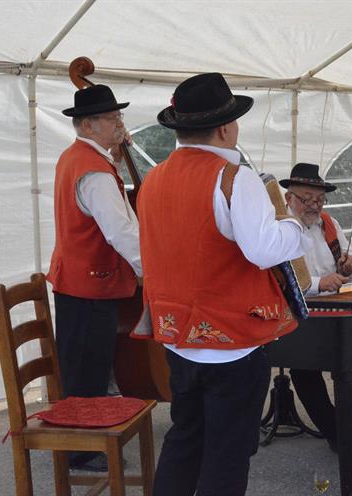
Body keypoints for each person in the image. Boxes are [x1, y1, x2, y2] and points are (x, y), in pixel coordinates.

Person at [136, 73, 304, 496]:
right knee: (227, 451)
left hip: (177, 336)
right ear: (226, 127)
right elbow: (265, 251)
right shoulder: (235, 178)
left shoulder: (152, 178)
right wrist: (291, 222)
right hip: (232, 341)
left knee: (185, 438)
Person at [46, 84, 142, 471]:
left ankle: (84, 442)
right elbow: (121, 231)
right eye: (113, 118)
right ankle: (80, 450)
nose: (120, 124)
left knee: (86, 366)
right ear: (89, 124)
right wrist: (150, 269)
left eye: (119, 116)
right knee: (87, 369)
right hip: (90, 284)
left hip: (78, 279)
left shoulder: (77, 157)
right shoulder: (95, 172)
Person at [280, 163, 352, 452]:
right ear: (288, 199)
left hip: (334, 309)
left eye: (319, 199)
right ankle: (336, 432)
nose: (314, 206)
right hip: (292, 311)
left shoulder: (329, 223)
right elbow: (282, 279)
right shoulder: (279, 228)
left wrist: (349, 266)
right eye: (306, 199)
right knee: (305, 367)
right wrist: (320, 283)